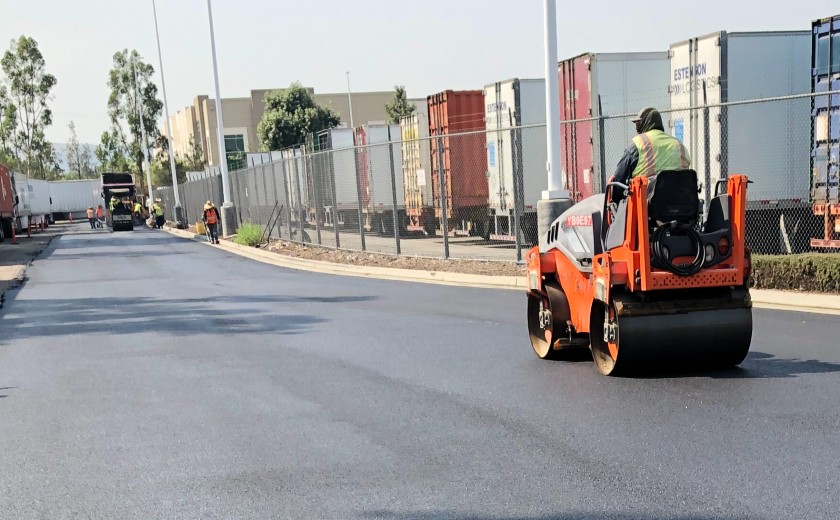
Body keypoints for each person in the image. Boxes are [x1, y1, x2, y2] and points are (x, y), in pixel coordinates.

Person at [612, 107, 691, 189]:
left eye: (638, 124)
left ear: (646, 123)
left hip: (647, 200)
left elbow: (619, 179)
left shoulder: (638, 145)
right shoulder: (679, 144)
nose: (636, 129)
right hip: (682, 199)